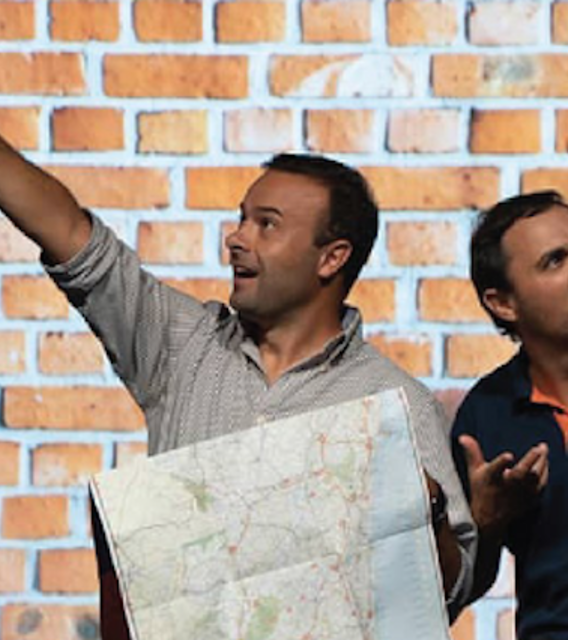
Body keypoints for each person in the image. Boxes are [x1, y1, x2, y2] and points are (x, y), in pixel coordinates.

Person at [0, 136, 475, 633]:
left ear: (331, 259)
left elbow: (447, 591)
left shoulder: (397, 404)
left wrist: (429, 509)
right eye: (242, 219)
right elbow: (72, 235)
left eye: (266, 224)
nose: (237, 238)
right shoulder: (181, 347)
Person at [452, 189, 568, 640]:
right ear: (504, 303)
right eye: (555, 260)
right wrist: (487, 521)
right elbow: (459, 591)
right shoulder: (487, 412)